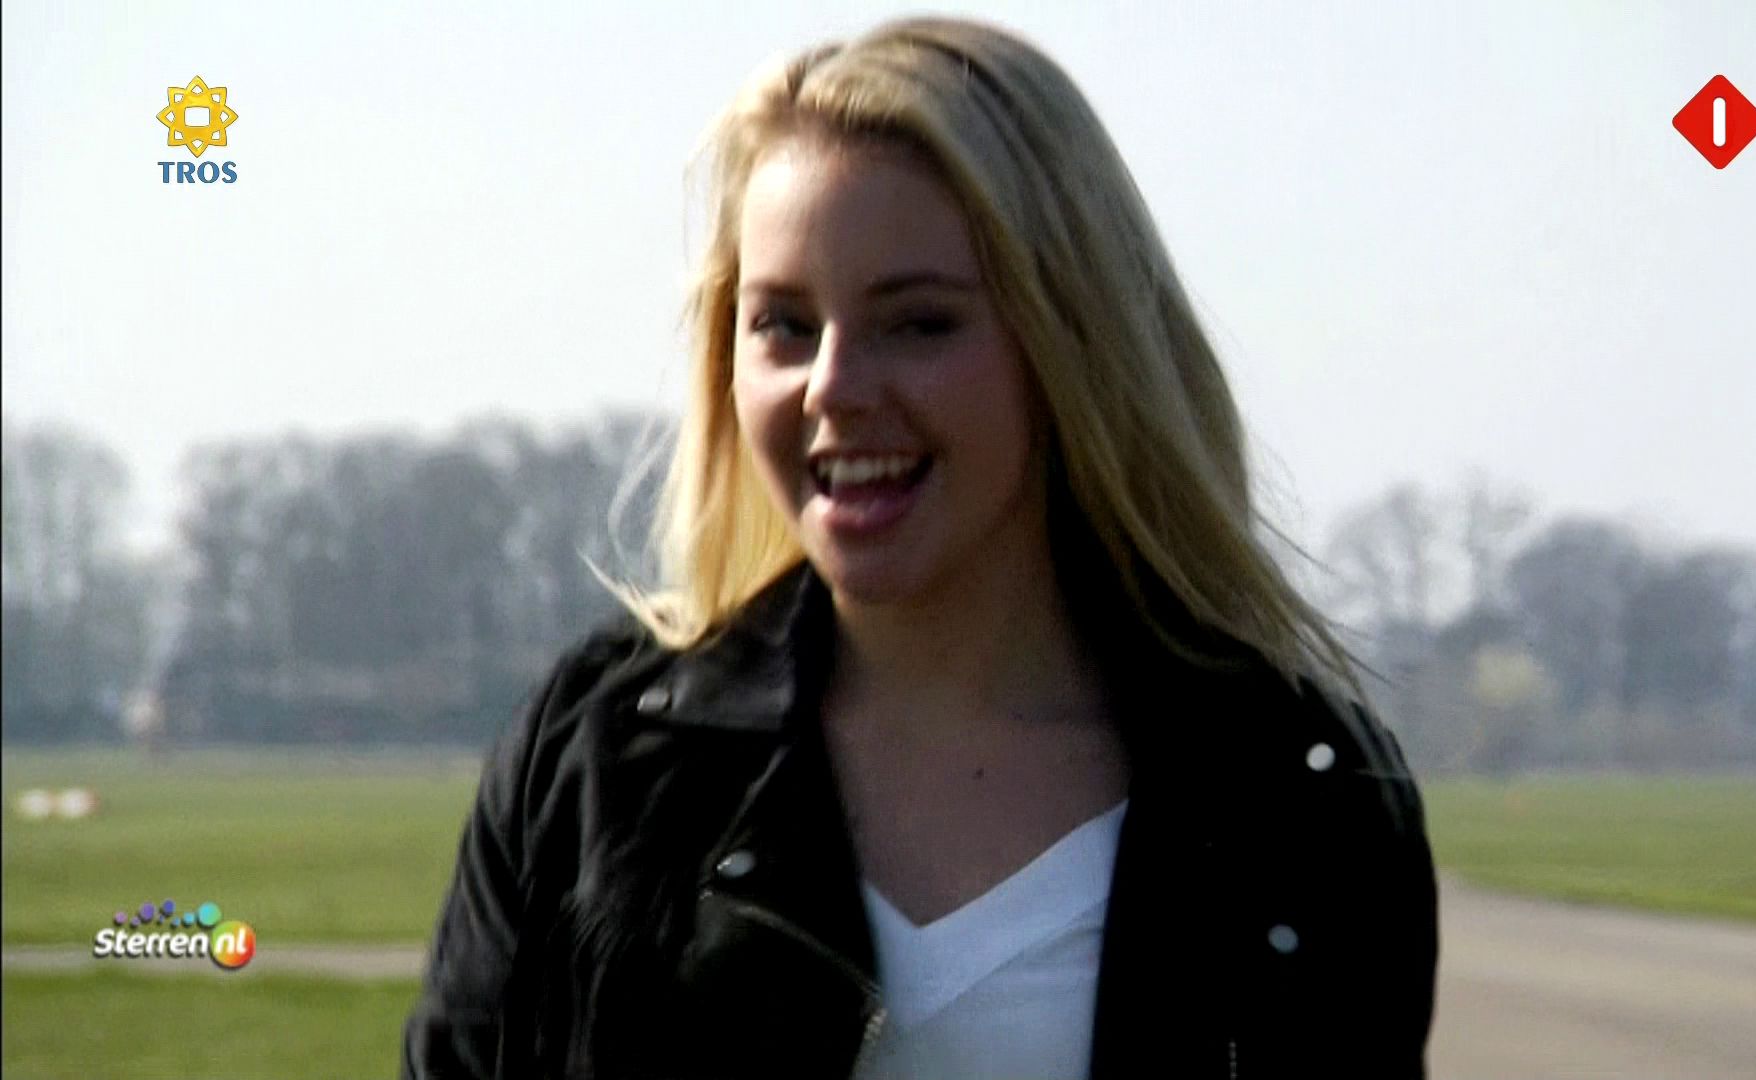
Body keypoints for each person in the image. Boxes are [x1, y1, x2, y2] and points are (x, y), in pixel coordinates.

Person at [401, 15, 1436, 1079]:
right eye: (785, 325)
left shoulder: (1300, 795)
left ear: (1075, 345)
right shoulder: (593, 760)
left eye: (919, 323)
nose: (834, 389)